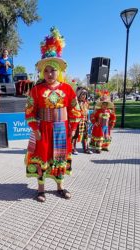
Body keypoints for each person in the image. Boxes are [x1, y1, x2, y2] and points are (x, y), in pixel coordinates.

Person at [25, 27, 81, 202]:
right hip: (43, 129)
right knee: (42, 157)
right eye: (47, 71)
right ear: (43, 72)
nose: (50, 74)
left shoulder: (67, 89)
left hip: (62, 129)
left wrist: (72, 128)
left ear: (59, 71)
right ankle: (40, 189)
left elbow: (74, 109)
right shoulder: (36, 90)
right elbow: (29, 111)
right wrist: (35, 128)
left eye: (53, 70)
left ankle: (60, 187)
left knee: (60, 158)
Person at [72, 87, 92, 154]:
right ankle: (73, 148)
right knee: (75, 135)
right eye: (82, 94)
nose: (84, 96)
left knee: (85, 135)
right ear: (79, 94)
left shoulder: (86, 103)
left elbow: (87, 112)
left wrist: (88, 119)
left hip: (84, 121)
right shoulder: (76, 102)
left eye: (85, 95)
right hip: (77, 121)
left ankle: (86, 148)